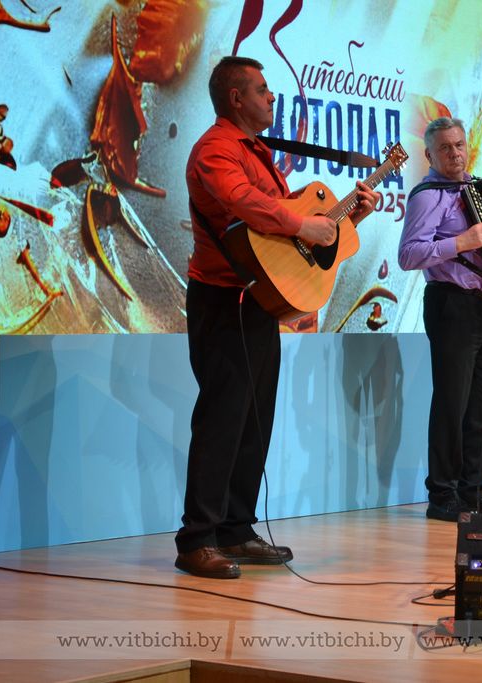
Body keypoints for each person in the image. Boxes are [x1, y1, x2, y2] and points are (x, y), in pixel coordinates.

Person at [176, 56, 378, 578]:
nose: (271, 97)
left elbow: (286, 233)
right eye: (262, 89)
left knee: (254, 418)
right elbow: (243, 202)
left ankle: (236, 530)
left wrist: (347, 219)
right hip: (222, 299)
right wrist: (303, 224)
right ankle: (196, 539)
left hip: (258, 301)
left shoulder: (257, 152)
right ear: (236, 98)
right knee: (222, 418)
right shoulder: (216, 149)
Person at [398, 116, 482, 522]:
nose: (454, 153)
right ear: (429, 154)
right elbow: (408, 255)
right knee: (452, 403)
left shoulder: (480, 189)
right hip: (450, 303)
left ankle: (474, 490)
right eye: (445, 147)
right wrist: (460, 242)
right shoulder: (427, 196)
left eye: (459, 145)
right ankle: (443, 494)